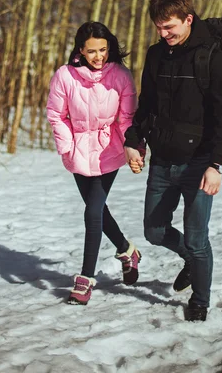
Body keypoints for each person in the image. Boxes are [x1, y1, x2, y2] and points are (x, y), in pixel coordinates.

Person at [124, 0, 222, 321]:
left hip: (200, 161)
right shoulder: (156, 54)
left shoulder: (212, 55)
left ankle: (200, 302)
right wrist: (135, 140)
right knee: (154, 230)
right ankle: (191, 260)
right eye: (159, 27)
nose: (164, 33)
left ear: (188, 19)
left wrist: (215, 163)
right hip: (162, 158)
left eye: (169, 27)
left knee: (197, 237)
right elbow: (146, 105)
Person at [47, 22, 140, 305]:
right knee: (97, 210)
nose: (99, 56)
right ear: (80, 51)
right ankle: (127, 250)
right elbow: (56, 114)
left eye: (103, 49)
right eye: (92, 51)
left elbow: (127, 118)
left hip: (108, 150)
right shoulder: (65, 76)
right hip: (77, 151)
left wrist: (132, 147)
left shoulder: (122, 76)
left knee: (93, 211)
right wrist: (67, 146)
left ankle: (85, 279)